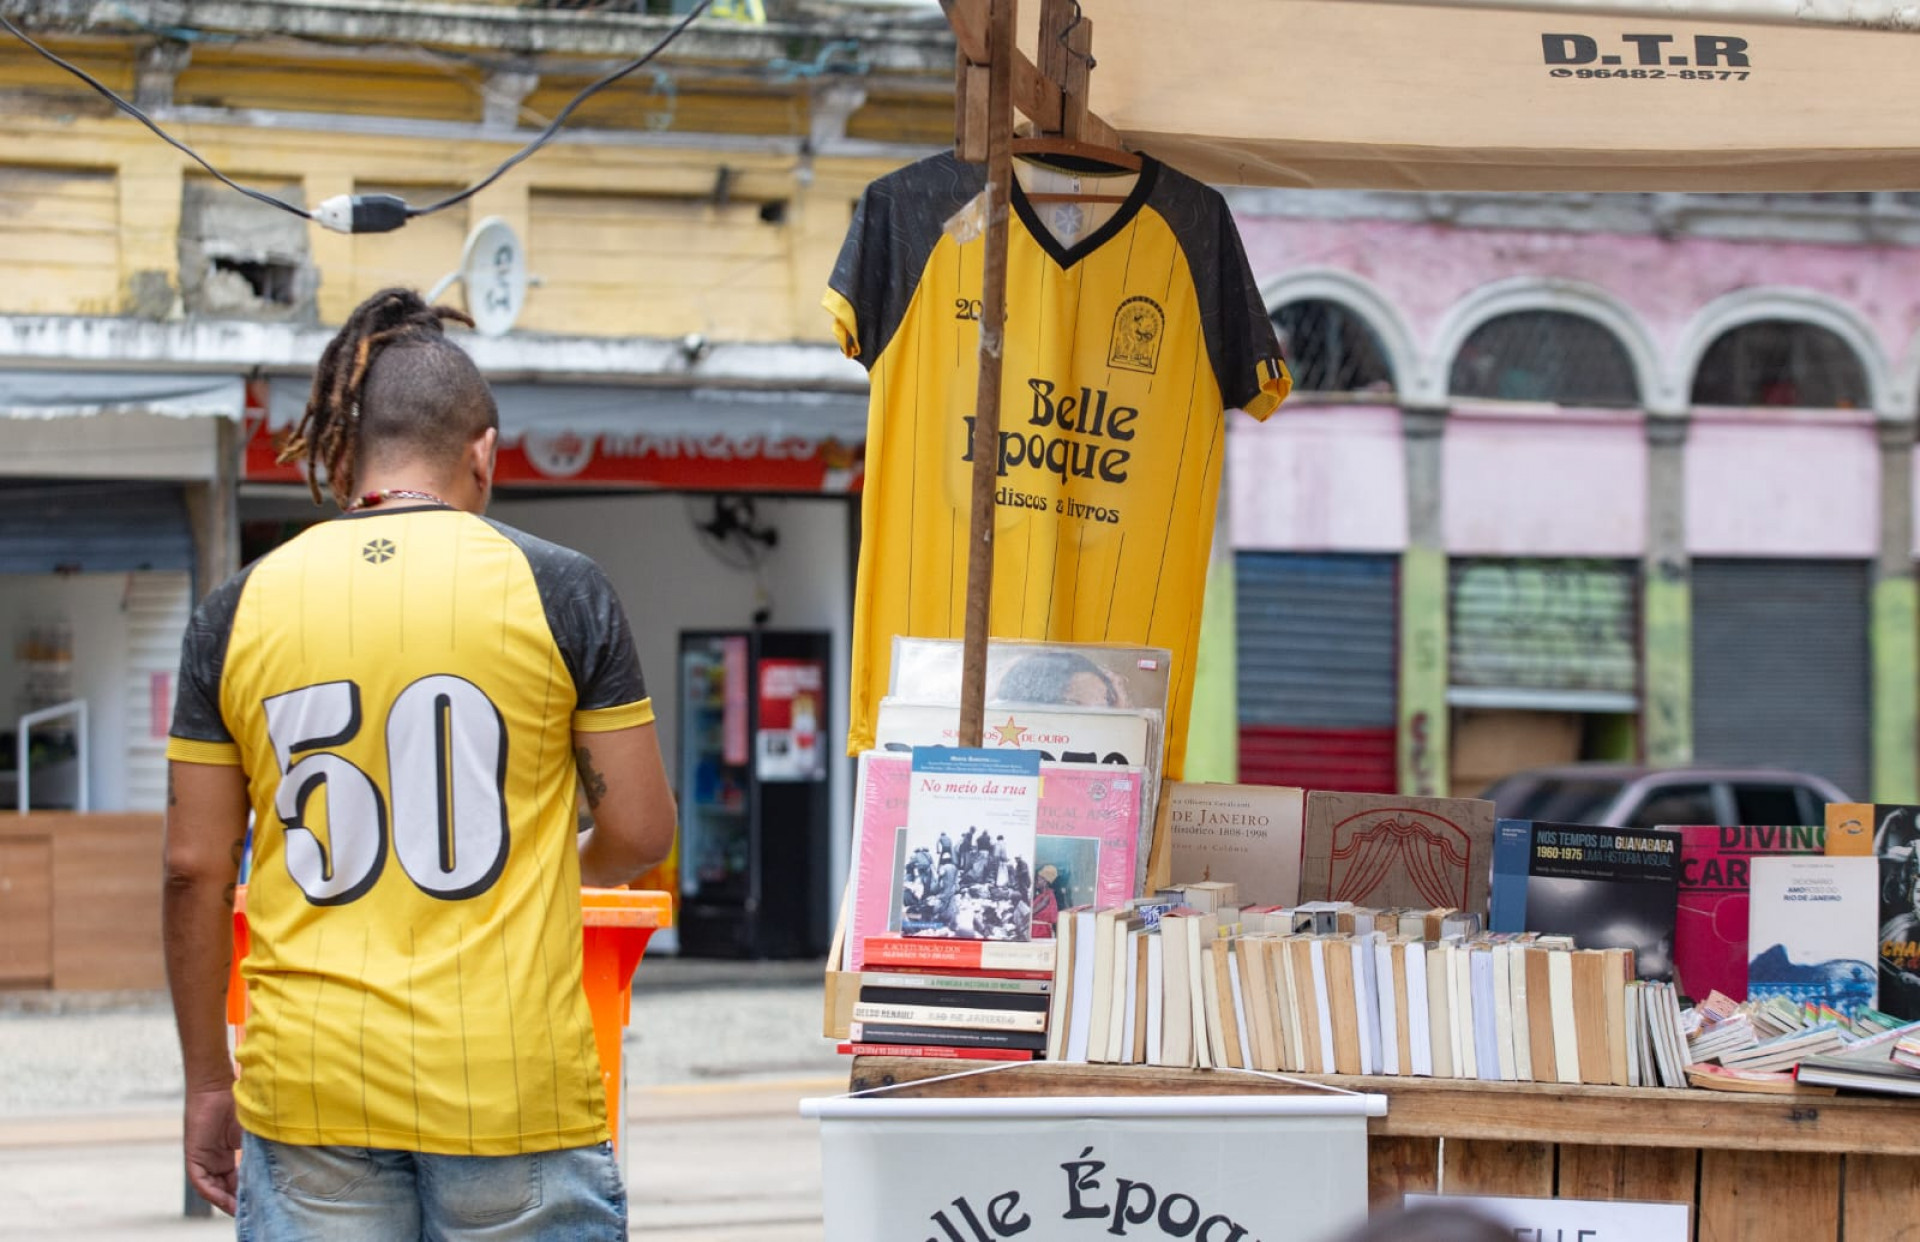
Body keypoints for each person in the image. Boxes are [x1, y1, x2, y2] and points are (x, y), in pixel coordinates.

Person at [161, 288, 677, 1239]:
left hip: (309, 1090)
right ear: (481, 451)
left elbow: (193, 867)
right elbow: (642, 830)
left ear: (346, 451)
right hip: (513, 1086)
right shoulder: (560, 587)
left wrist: (206, 1082)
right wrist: (537, 866)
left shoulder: (236, 610)